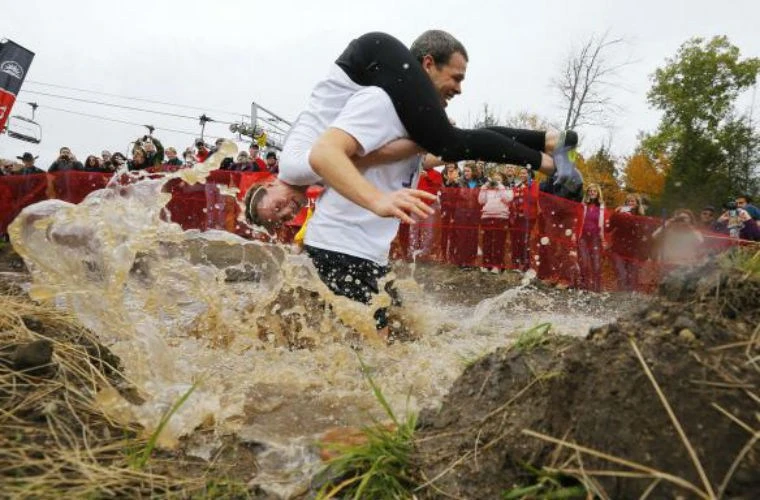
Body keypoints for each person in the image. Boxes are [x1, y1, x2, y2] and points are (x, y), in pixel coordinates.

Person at [245, 30, 581, 229]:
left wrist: (413, 148)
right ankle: (549, 141)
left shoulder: (294, 168)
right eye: (282, 219)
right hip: (371, 63)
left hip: (370, 59)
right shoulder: (302, 172)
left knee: (447, 142)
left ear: (269, 184)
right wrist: (422, 144)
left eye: (277, 206)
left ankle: (551, 163)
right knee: (453, 139)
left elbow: (366, 158)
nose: (289, 210)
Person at [478, 171, 512, 270]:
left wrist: (500, 187)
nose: (496, 181)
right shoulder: (488, 190)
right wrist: (484, 187)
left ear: (502, 180)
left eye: (498, 179)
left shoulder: (507, 189)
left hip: (501, 218)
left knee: (499, 243)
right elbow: (481, 201)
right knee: (486, 242)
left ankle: (498, 265)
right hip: (487, 217)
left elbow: (508, 199)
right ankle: (486, 264)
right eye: (494, 179)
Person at [576, 183, 605, 292]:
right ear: (587, 193)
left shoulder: (601, 207)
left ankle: (597, 287)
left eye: (594, 191)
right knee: (584, 261)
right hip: (583, 236)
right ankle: (584, 285)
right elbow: (577, 220)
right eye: (590, 191)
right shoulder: (583, 205)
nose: (592, 193)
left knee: (596, 262)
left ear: (598, 194)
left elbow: (605, 222)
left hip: (595, 237)